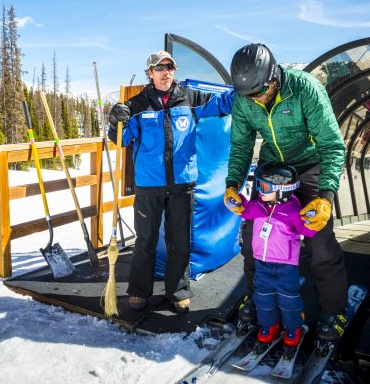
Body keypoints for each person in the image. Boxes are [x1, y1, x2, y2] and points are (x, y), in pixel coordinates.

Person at [223, 43, 348, 343]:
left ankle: (334, 310)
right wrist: (233, 184)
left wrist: (326, 196)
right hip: (270, 168)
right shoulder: (244, 99)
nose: (254, 99)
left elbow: (332, 145)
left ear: (273, 75)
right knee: (255, 237)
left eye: (259, 92)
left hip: (308, 165)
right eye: (248, 95)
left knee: (320, 241)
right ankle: (256, 298)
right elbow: (241, 145)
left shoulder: (306, 89)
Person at [108, 50, 233, 313]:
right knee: (145, 241)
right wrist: (114, 120)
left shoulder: (190, 99)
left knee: (179, 242)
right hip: (148, 187)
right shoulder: (136, 105)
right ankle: (139, 292)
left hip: (181, 185)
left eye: (170, 68)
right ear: (150, 73)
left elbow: (223, 104)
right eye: (160, 68)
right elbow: (120, 140)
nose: (166, 72)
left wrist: (245, 89)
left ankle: (178, 293)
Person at [229, 162, 318, 347]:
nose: (259, 190)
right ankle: (269, 325)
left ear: (281, 190)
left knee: (289, 299)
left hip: (286, 266)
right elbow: (245, 210)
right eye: (258, 185)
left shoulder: (293, 211)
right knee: (262, 297)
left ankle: (294, 327)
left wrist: (313, 219)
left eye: (264, 187)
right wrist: (237, 202)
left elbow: (308, 231)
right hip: (262, 263)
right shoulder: (259, 206)